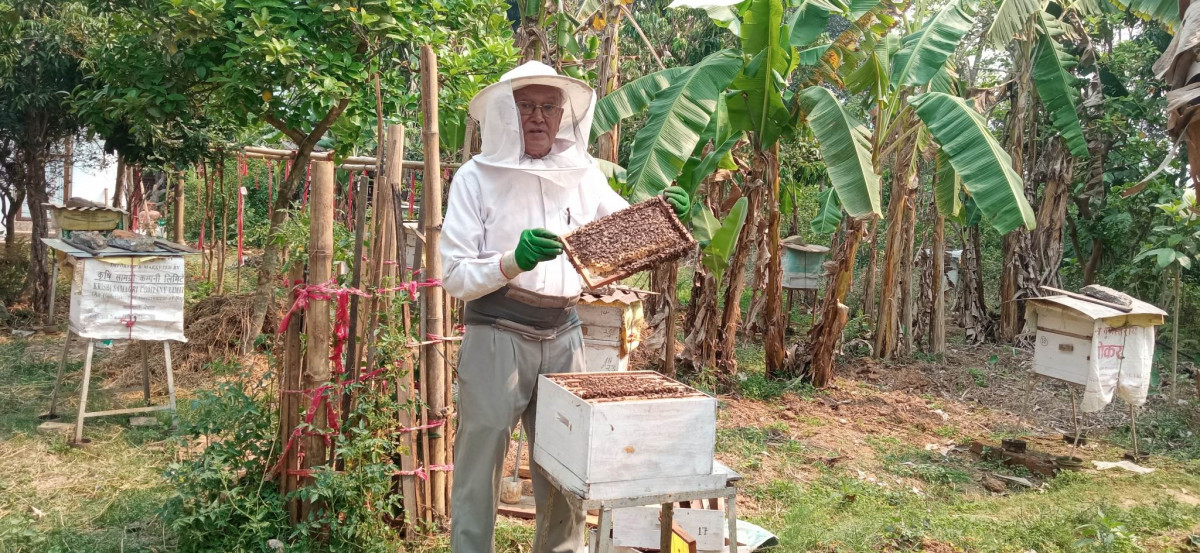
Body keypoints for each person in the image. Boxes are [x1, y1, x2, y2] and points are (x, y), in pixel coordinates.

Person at [440, 61, 690, 553]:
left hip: (565, 333)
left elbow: (621, 226)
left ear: (564, 114)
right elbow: (454, 276)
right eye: (526, 106)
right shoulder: (475, 178)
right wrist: (512, 261)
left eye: (549, 107)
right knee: (480, 461)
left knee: (565, 460)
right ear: (507, 115)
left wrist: (660, 213)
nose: (538, 117)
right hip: (498, 331)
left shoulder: (582, 173)